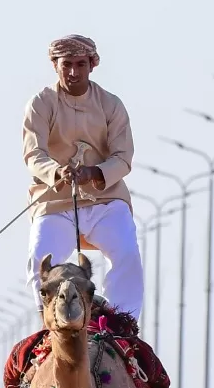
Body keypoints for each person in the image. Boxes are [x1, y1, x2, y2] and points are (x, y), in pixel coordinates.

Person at [22, 34, 142, 318]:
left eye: (80, 64)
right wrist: (56, 171)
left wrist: (95, 172)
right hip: (56, 201)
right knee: (40, 257)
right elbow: (33, 154)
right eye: (67, 65)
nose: (73, 72)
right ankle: (48, 320)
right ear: (55, 65)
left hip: (106, 200)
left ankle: (124, 323)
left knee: (127, 255)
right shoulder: (41, 104)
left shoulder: (111, 105)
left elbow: (123, 157)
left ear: (92, 65)